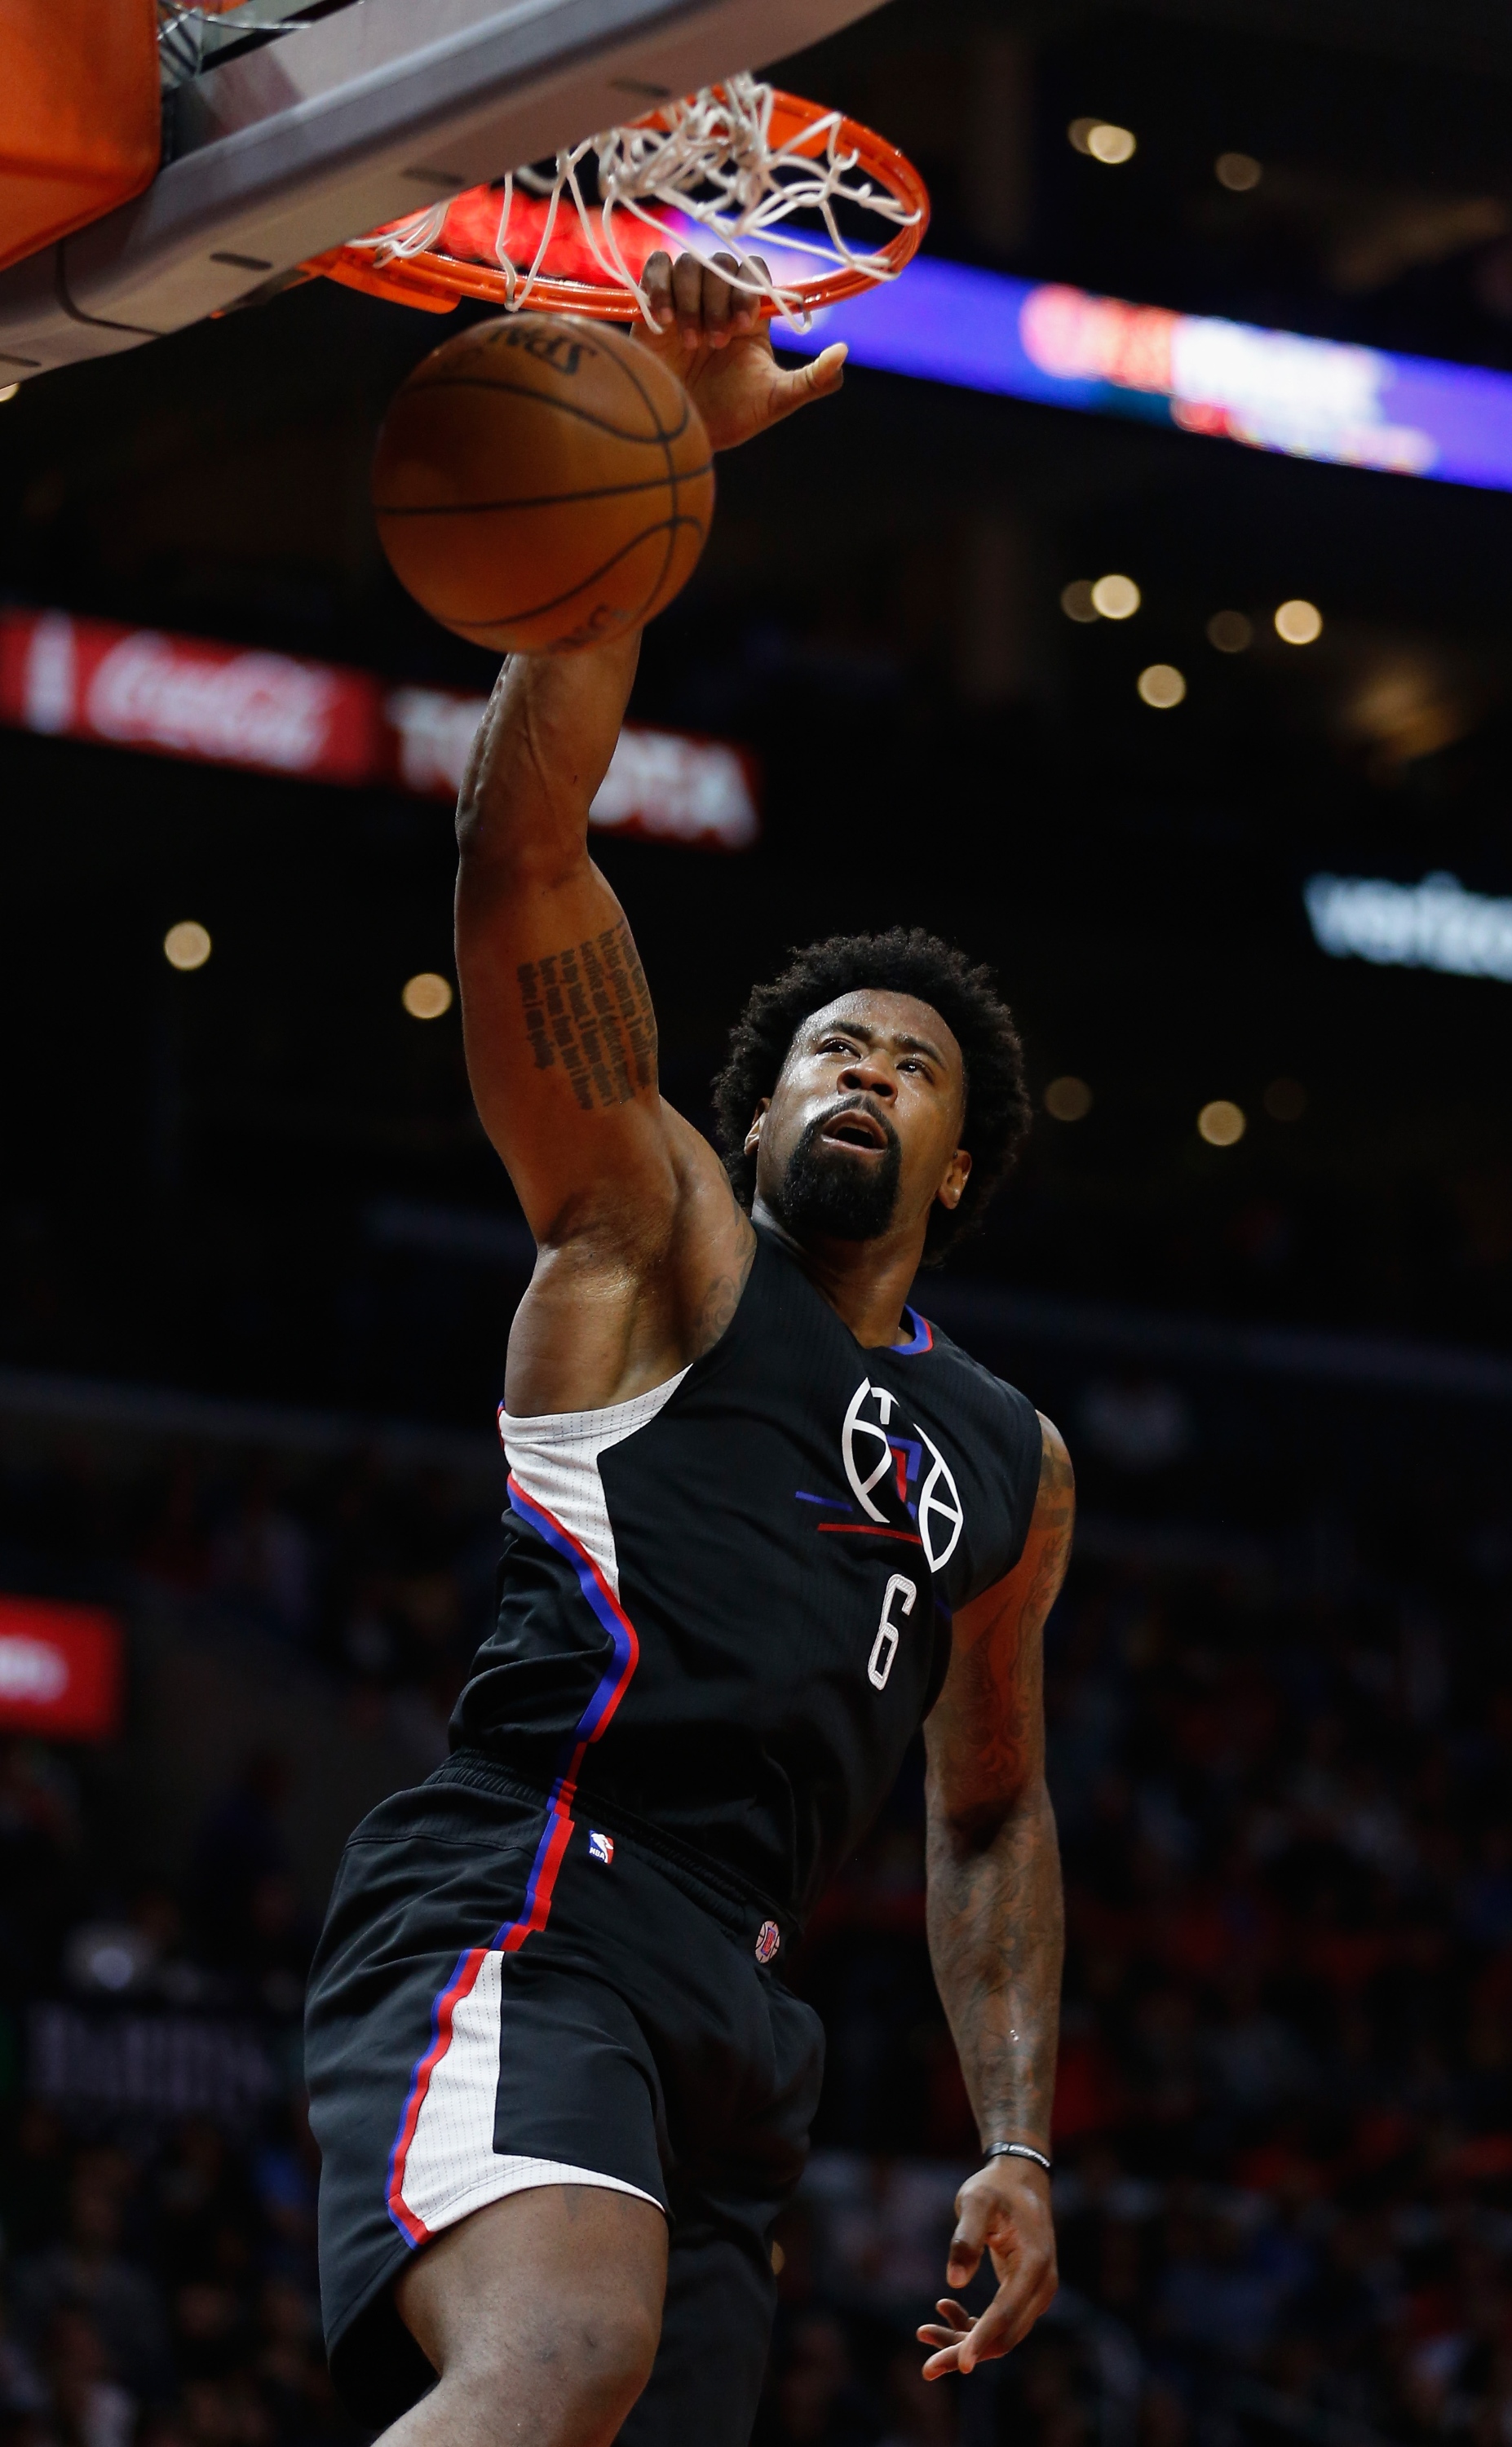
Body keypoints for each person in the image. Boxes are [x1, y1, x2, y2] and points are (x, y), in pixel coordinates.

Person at [304, 248, 1072, 2447]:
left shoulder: (1007, 1459)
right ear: (740, 1114)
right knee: (563, 2354)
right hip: (542, 1885)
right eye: (825, 1045)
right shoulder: (654, 1231)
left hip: (749, 2009)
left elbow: (995, 1809)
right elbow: (519, 848)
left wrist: (1014, 2133)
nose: (861, 1071)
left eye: (909, 1064)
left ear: (959, 1157)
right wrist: (649, 509)